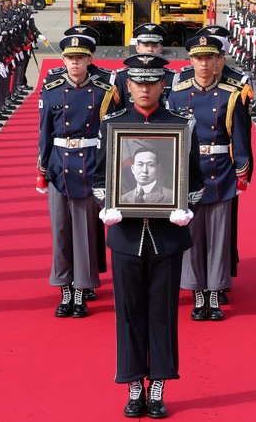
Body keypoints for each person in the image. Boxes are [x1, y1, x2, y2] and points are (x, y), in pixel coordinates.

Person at [94, 53, 204, 419]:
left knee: (162, 313)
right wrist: (106, 203)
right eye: (138, 82)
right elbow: (98, 177)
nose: (144, 89)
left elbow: (196, 180)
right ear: (128, 86)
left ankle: (158, 385)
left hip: (166, 238)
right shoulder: (112, 125)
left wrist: (185, 206)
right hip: (125, 235)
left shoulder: (181, 125)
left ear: (163, 85)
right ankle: (132, 384)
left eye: (152, 82)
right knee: (127, 313)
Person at [168, 36, 251, 322]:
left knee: (218, 239)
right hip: (188, 173)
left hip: (220, 173)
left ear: (218, 62)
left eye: (209, 58)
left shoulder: (231, 94)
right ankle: (197, 293)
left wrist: (242, 172)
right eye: (198, 58)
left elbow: (240, 138)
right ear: (190, 61)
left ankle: (214, 293)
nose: (204, 64)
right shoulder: (178, 94)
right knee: (192, 239)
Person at [35, 34, 115, 319]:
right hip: (58, 168)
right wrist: (42, 169)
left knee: (83, 234)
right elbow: (45, 133)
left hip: (89, 167)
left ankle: (81, 291)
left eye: (80, 58)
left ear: (89, 60)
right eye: (70, 58)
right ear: (64, 60)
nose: (75, 63)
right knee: (61, 233)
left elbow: (110, 136)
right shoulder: (53, 89)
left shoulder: (103, 91)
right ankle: (64, 288)